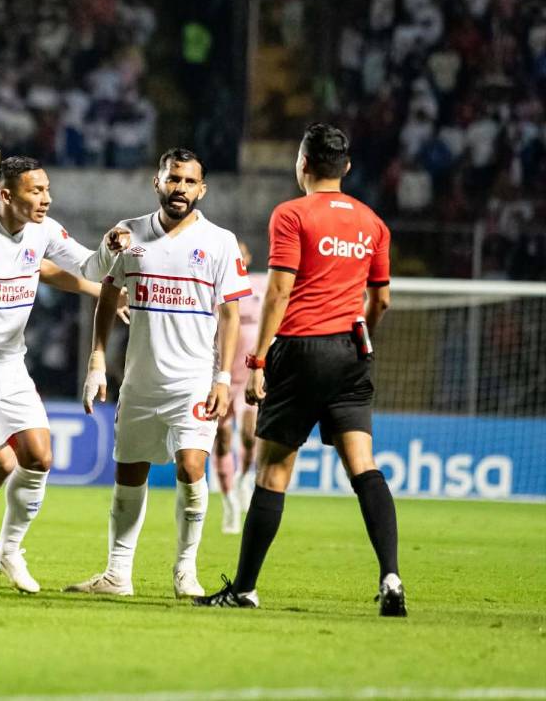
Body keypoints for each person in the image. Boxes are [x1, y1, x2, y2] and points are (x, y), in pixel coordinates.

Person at [194, 124, 405, 615]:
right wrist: (363, 338)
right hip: (352, 352)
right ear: (346, 168)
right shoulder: (373, 222)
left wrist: (260, 358)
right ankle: (391, 577)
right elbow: (383, 299)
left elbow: (279, 291)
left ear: (302, 164)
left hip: (300, 351)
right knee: (364, 467)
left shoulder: (291, 214)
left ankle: (244, 587)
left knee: (273, 471)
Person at [66, 147, 248, 599]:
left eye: (189, 181)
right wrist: (96, 359)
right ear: (157, 182)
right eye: (173, 179)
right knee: (129, 475)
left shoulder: (220, 242)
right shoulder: (127, 235)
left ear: (202, 189)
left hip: (192, 382)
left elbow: (230, 315)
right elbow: (105, 294)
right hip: (139, 382)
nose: (180, 188)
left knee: (191, 467)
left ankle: (186, 570)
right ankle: (117, 574)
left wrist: (223, 378)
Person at [0, 156, 105, 594]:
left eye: (47, 190)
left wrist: (115, 247)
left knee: (38, 456)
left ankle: (6, 550)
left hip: (10, 363)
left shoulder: (43, 231)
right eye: (36, 191)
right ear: (7, 195)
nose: (46, 199)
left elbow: (90, 266)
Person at [214, 240, 262, 534]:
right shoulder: (216, 287)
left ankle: (245, 477)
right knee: (221, 436)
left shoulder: (260, 284)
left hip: (248, 376)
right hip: (222, 375)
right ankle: (229, 501)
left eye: (242, 254)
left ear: (248, 257)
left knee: (248, 433)